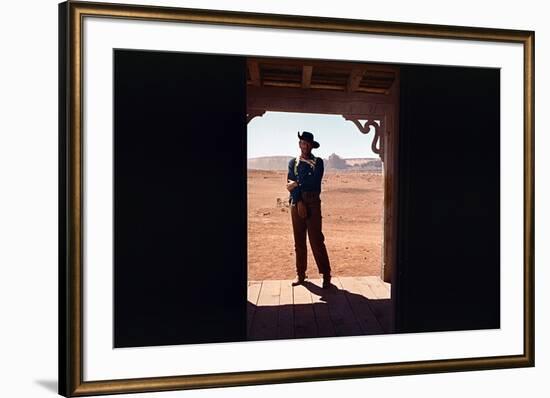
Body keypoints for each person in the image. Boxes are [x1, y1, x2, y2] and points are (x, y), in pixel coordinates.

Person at [286, 131, 332, 289]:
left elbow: (314, 183)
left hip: (313, 202)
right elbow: (289, 182)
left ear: (311, 146)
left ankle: (326, 274)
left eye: (307, 143)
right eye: (302, 143)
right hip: (296, 203)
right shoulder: (293, 163)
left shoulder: (318, 162)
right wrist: (298, 200)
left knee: (316, 240)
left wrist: (295, 184)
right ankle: (300, 274)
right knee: (299, 241)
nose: (304, 146)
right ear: (299, 144)